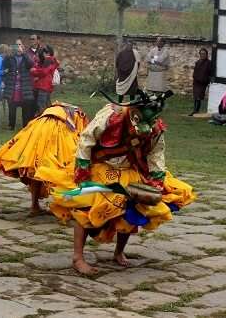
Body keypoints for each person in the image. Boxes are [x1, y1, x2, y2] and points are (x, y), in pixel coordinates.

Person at [36, 91, 195, 275]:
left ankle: (119, 253)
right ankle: (77, 257)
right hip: (102, 167)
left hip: (130, 170)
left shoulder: (156, 128)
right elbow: (87, 139)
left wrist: (156, 179)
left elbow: (156, 154)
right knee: (86, 209)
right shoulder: (111, 115)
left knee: (130, 211)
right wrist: (83, 170)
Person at [0, 103, 88, 216]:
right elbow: (82, 134)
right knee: (63, 169)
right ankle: (67, 207)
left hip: (36, 133)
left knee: (35, 168)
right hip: (59, 135)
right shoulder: (81, 115)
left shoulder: (50, 111)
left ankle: (34, 205)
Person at [4, 38, 36, 130]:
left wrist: (24, 53)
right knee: (12, 108)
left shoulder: (26, 56)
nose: (18, 47)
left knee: (25, 109)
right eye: (16, 45)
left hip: (24, 86)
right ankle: (11, 125)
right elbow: (4, 65)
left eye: (20, 45)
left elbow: (31, 64)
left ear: (23, 46)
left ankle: (25, 126)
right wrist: (7, 55)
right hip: (12, 86)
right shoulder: (11, 56)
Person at [31, 46, 59, 115]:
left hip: (44, 86)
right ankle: (47, 120)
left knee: (41, 106)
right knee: (46, 105)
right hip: (44, 86)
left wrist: (34, 71)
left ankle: (44, 121)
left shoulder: (49, 60)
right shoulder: (47, 61)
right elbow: (36, 69)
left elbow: (44, 72)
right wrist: (34, 71)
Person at [190, 48, 212, 116]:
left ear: (206, 55)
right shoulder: (198, 62)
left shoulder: (208, 63)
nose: (202, 55)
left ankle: (196, 110)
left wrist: (206, 80)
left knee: (199, 96)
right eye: (201, 54)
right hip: (196, 82)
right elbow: (195, 71)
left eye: (204, 54)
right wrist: (194, 77)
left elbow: (209, 73)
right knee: (195, 96)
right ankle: (194, 110)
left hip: (203, 82)